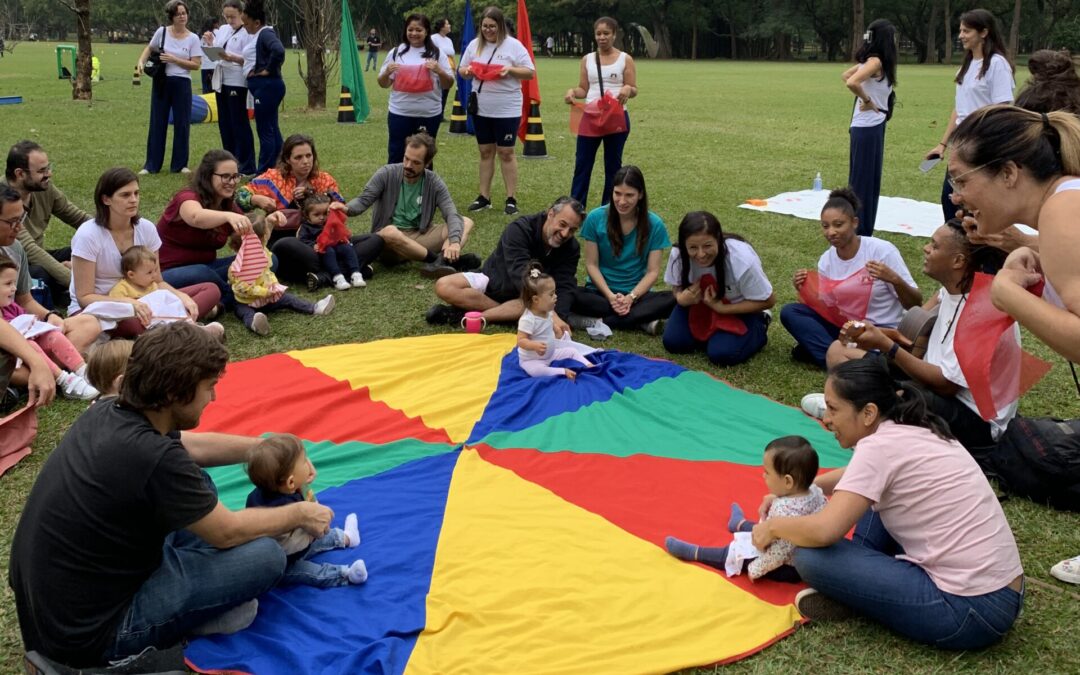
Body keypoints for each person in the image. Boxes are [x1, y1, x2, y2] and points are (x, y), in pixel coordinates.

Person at [9, 323, 334, 667]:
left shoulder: (109, 411)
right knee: (266, 557)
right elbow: (228, 532)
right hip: (93, 633)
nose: (214, 398)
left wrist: (269, 448)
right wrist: (301, 514)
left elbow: (195, 447)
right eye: (209, 388)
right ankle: (188, 623)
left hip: (56, 605)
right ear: (175, 394)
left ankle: (201, 591)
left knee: (199, 485)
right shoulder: (153, 456)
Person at [750, 358, 1024, 648]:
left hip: (968, 610)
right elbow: (860, 476)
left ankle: (852, 591)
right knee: (867, 499)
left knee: (809, 555)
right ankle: (856, 587)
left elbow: (823, 531)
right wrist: (808, 487)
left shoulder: (879, 447)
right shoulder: (914, 425)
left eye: (833, 409)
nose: (826, 418)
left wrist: (774, 527)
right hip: (1002, 592)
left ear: (868, 413)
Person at [947, 104, 1080, 583]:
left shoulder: (1064, 210)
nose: (956, 197)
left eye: (961, 180)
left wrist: (1006, 295)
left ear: (1008, 173)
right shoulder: (1062, 204)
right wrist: (1022, 246)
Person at [807, 220, 1012, 459]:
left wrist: (886, 346)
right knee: (839, 351)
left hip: (975, 420)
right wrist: (880, 334)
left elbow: (947, 384)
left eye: (934, 246)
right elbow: (912, 336)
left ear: (958, 261)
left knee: (901, 394)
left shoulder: (983, 311)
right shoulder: (948, 291)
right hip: (932, 385)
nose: (926, 248)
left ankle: (860, 420)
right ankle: (856, 413)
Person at [69, 168, 220, 338]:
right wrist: (129, 304)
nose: (133, 200)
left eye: (136, 193)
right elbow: (84, 297)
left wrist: (181, 296)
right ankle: (182, 330)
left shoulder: (146, 228)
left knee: (211, 290)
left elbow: (157, 281)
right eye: (125, 195)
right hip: (103, 305)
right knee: (133, 323)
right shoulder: (88, 235)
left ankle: (169, 330)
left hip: (147, 299)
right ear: (106, 199)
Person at [780, 188, 921, 368]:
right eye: (825, 226)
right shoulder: (827, 260)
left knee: (811, 346)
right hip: (847, 329)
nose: (831, 232)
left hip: (880, 332)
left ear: (854, 223)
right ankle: (844, 359)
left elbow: (915, 303)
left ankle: (838, 357)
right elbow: (829, 308)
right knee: (791, 312)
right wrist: (806, 289)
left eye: (838, 225)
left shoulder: (882, 251)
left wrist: (894, 279)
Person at [665, 436, 826, 580]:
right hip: (797, 547)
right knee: (762, 529)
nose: (763, 476)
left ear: (788, 482)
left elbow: (780, 552)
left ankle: (696, 552)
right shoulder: (814, 491)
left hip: (786, 566)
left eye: (767, 472)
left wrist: (756, 568)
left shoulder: (784, 511)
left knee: (736, 554)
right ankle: (740, 524)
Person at [335, 132, 476, 280]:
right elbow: (363, 200)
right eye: (406, 158)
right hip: (389, 243)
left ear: (427, 163)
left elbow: (451, 213)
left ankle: (441, 260)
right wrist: (347, 208)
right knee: (389, 232)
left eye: (416, 162)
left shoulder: (434, 182)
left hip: (419, 236)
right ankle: (437, 261)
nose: (408, 165)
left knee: (465, 221)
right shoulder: (386, 173)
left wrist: (454, 242)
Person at [427, 195, 584, 328]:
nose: (565, 233)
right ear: (550, 214)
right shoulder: (520, 229)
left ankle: (478, 316)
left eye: (572, 230)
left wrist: (560, 318)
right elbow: (520, 272)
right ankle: (513, 315)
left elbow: (565, 284)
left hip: (530, 299)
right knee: (444, 285)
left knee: (533, 301)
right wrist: (549, 314)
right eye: (562, 225)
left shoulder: (571, 247)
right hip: (497, 284)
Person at [925, 8, 1014, 221]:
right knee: (950, 199)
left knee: (973, 203)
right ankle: (957, 249)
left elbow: (1003, 109)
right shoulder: (966, 67)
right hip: (961, 145)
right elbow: (959, 109)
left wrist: (985, 143)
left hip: (982, 146)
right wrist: (943, 144)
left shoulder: (997, 64)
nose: (961, 36)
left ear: (983, 32)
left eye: (966, 31)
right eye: (960, 31)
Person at [245, 434, 368, 587]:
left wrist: (302, 482)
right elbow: (291, 543)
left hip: (300, 543)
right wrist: (314, 532)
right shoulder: (282, 509)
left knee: (321, 537)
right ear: (290, 481)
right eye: (304, 461)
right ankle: (346, 574)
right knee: (310, 572)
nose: (308, 463)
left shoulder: (273, 490)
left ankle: (348, 537)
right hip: (283, 561)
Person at [158, 149, 271, 310]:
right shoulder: (186, 197)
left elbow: (251, 235)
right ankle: (234, 298)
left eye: (235, 176)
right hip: (169, 273)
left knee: (265, 260)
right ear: (207, 176)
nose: (232, 182)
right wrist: (227, 217)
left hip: (210, 268)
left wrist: (269, 222)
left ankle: (225, 299)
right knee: (201, 273)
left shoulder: (226, 204)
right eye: (225, 176)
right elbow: (196, 217)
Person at [570, 165, 673, 336]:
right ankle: (641, 321)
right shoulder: (595, 218)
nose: (622, 201)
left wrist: (630, 298)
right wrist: (611, 297)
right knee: (568, 293)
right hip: (600, 294)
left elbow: (653, 272)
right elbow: (592, 265)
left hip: (638, 296)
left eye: (629, 195)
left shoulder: (655, 224)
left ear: (640, 195)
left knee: (674, 298)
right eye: (617, 193)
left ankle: (597, 321)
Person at [662, 211, 776, 366]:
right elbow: (676, 287)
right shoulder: (678, 254)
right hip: (697, 306)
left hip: (738, 309)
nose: (701, 254)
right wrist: (681, 298)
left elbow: (768, 300)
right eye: (693, 247)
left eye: (707, 246)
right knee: (674, 343)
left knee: (722, 354)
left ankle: (759, 325)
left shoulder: (741, 259)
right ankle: (714, 334)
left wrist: (721, 309)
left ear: (719, 239)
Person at [0, 187, 101, 353]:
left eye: (21, 219)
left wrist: (50, 316)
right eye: (12, 222)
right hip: (9, 338)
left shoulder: (15, 249)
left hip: (20, 330)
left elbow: (26, 300)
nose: (19, 228)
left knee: (89, 324)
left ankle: (43, 366)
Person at [459, 5, 536, 216]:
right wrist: (467, 71)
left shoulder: (514, 46)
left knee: (506, 152)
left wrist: (509, 70)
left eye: (492, 26)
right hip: (481, 107)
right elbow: (462, 70)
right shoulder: (475, 45)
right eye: (485, 26)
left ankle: (511, 198)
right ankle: (484, 196)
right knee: (485, 152)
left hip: (507, 108)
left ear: (500, 26)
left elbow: (529, 72)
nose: (488, 30)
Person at [3, 140, 92, 308]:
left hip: (38, 256)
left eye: (49, 168)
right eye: (42, 170)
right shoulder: (4, 201)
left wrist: (113, 233)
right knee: (39, 273)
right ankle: (67, 292)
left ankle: (63, 291)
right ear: (20, 174)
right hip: (13, 263)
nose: (49, 174)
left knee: (80, 249)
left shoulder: (44, 188)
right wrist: (72, 279)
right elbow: (30, 251)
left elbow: (78, 217)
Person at [564, 17, 637, 209]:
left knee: (613, 167)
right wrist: (573, 93)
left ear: (614, 34)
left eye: (606, 33)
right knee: (582, 165)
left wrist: (628, 89)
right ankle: (576, 208)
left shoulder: (625, 59)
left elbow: (634, 88)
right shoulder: (587, 59)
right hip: (590, 117)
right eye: (598, 33)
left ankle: (608, 209)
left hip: (616, 118)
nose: (602, 37)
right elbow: (583, 89)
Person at [1, 257, 98, 400]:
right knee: (30, 345)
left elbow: (27, 306)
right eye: (8, 284)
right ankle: (64, 381)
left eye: (14, 283)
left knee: (55, 335)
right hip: (14, 361)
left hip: (31, 355)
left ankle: (83, 370)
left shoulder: (11, 306)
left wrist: (48, 317)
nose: (14, 288)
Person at [228, 217, 336, 336]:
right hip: (246, 302)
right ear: (262, 238)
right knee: (245, 313)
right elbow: (243, 288)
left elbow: (267, 271)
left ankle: (315, 307)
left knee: (288, 298)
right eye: (266, 232)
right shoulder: (238, 267)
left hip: (268, 299)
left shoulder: (262, 251)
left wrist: (273, 285)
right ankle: (255, 323)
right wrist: (264, 292)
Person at [841, 18, 896, 237]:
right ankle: (859, 230)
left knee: (867, 180)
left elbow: (847, 74)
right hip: (867, 127)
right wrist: (867, 99)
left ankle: (862, 229)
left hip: (872, 125)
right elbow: (851, 82)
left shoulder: (872, 61)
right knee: (863, 181)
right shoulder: (876, 62)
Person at [136, 0, 202, 175]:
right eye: (178, 13)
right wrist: (140, 62)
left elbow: (196, 65)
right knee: (158, 122)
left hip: (182, 83)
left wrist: (175, 60)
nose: (182, 16)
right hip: (162, 81)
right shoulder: (162, 32)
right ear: (172, 16)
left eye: (184, 13)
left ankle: (180, 164)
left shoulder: (193, 38)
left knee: (182, 123)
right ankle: (151, 165)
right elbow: (150, 48)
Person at [377, 13, 454, 164]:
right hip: (399, 112)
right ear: (405, 31)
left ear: (426, 32)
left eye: (418, 30)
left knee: (424, 158)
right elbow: (383, 83)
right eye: (410, 29)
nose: (414, 33)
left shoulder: (437, 53)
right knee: (396, 154)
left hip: (428, 114)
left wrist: (440, 71)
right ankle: (395, 187)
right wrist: (387, 72)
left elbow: (448, 84)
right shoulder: (396, 52)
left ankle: (424, 188)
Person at [109, 245, 225, 339]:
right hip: (146, 323)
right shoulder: (122, 288)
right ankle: (181, 333)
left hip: (169, 317)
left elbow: (168, 300)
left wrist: (182, 298)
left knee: (211, 289)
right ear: (131, 275)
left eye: (155, 270)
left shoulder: (154, 284)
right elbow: (115, 309)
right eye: (149, 273)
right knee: (128, 322)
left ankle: (185, 328)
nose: (154, 275)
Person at [517, 264, 596, 380]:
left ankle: (589, 365)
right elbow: (520, 340)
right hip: (532, 359)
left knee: (571, 351)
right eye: (551, 294)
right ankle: (562, 371)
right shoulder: (528, 319)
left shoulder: (547, 311)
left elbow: (547, 323)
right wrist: (533, 345)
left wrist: (555, 328)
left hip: (551, 353)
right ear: (536, 299)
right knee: (536, 371)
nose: (555, 296)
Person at [207, 0, 256, 175]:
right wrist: (211, 45)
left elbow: (249, 59)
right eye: (226, 17)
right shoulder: (224, 30)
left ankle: (247, 164)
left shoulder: (248, 32)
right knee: (225, 123)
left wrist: (231, 57)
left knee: (239, 122)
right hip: (221, 79)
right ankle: (229, 161)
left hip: (237, 79)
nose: (229, 20)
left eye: (233, 17)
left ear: (241, 14)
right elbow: (219, 50)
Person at [240, 0, 285, 174]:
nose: (245, 27)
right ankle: (280, 168)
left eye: (247, 24)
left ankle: (264, 172)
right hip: (265, 88)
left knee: (265, 130)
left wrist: (267, 70)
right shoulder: (259, 35)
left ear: (257, 22)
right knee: (272, 127)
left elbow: (279, 50)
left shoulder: (265, 34)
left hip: (267, 87)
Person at [297, 194, 365, 291]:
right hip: (321, 251)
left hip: (336, 245)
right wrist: (313, 245)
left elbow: (340, 232)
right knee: (328, 251)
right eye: (317, 215)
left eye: (325, 214)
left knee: (347, 248)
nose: (321, 217)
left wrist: (345, 239)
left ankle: (356, 273)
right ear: (307, 216)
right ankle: (337, 277)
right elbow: (302, 241)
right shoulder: (305, 227)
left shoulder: (331, 222)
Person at [431, 18, 456, 120]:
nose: (449, 25)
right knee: (438, 91)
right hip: (438, 68)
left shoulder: (449, 40)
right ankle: (435, 113)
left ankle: (441, 114)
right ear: (442, 27)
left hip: (448, 67)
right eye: (447, 24)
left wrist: (454, 67)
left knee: (445, 91)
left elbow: (452, 55)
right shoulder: (434, 38)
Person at [198, 18, 220, 93]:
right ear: (214, 24)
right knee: (216, 89)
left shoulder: (201, 35)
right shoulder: (216, 33)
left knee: (206, 89)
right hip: (214, 65)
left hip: (204, 65)